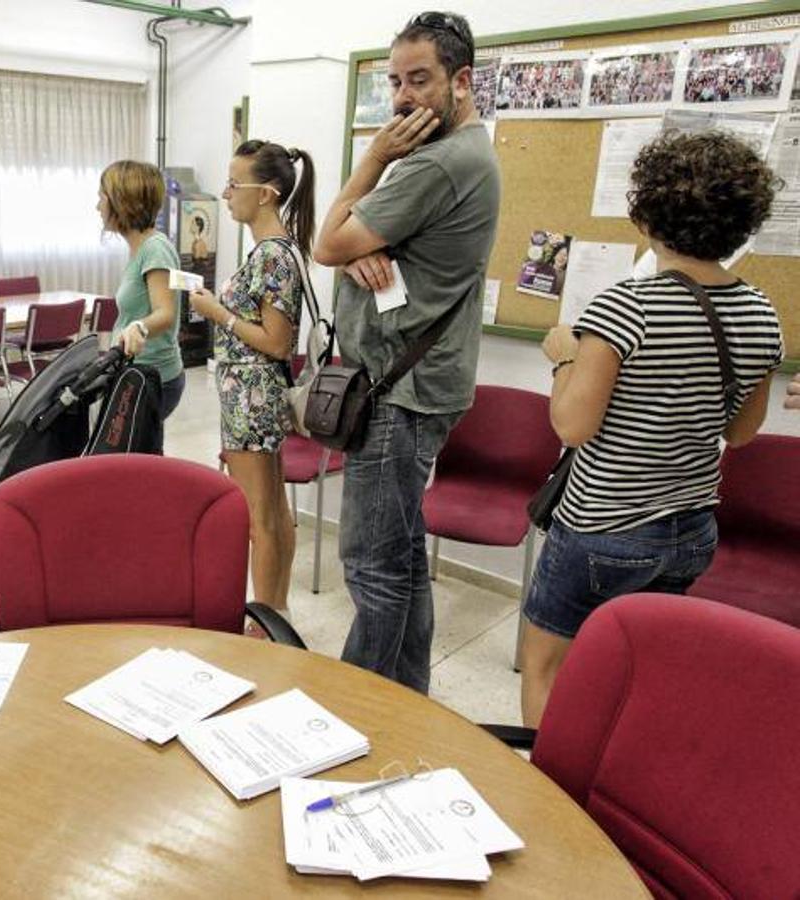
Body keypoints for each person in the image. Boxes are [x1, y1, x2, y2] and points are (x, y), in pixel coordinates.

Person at [520, 131, 784, 726]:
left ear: (646, 213)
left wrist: (564, 355)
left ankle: (553, 798)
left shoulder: (625, 308)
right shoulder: (761, 313)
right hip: (690, 531)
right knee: (633, 670)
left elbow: (571, 426)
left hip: (603, 529)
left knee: (549, 669)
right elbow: (742, 434)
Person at [312, 11, 501, 694]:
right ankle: (408, 698)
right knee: (405, 562)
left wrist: (371, 162)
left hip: (400, 392)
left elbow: (326, 243)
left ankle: (362, 706)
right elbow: (342, 242)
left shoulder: (442, 160)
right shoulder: (448, 154)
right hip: (411, 383)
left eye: (418, 80)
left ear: (461, 80)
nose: (401, 98)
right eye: (393, 81)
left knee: (371, 564)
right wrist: (364, 245)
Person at [187, 139, 316, 617]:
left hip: (252, 396)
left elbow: (277, 342)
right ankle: (276, 608)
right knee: (273, 509)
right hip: (253, 395)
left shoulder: (273, 256)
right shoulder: (276, 252)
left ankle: (264, 619)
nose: (226, 193)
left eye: (234, 183)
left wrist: (216, 312)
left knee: (258, 516)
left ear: (265, 193)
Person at [98, 160, 185, 424]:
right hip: (138, 371)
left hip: (153, 376)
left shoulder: (155, 249)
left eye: (102, 198)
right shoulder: (142, 248)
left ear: (122, 202)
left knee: (133, 460)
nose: (97, 207)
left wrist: (138, 327)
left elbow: (165, 314)